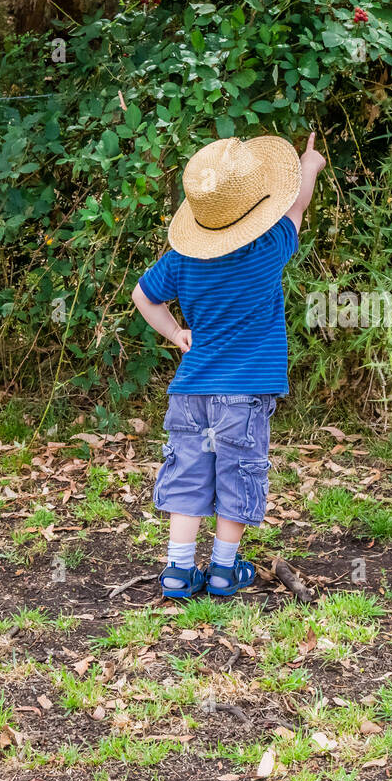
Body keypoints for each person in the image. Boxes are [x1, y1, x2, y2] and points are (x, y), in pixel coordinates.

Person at [132, 132, 325, 597]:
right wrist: (310, 164)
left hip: (191, 392)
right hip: (244, 394)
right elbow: (296, 207)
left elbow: (142, 296)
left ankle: (178, 570)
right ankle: (222, 569)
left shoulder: (182, 259)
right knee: (239, 474)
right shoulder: (268, 247)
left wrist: (176, 332)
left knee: (188, 473)